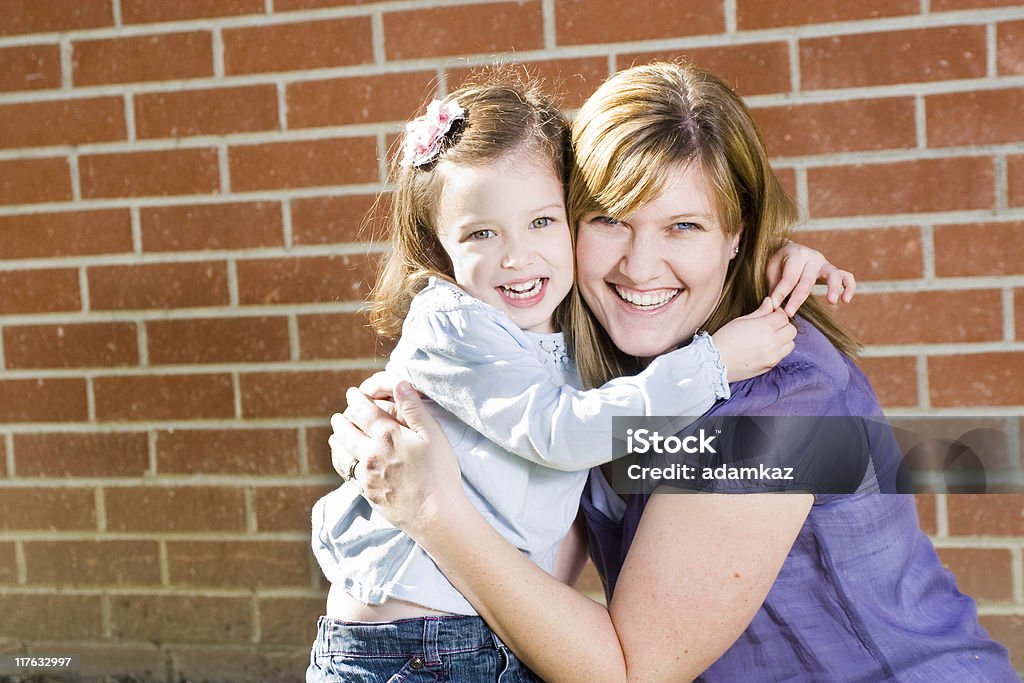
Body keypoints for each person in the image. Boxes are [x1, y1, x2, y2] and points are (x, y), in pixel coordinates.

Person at [333, 62, 1019, 682]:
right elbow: (539, 538)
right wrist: (397, 444)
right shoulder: (596, 363)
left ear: (737, 233)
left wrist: (430, 508)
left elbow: (630, 672)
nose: (638, 265)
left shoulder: (779, 402)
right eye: (608, 220)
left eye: (683, 227)